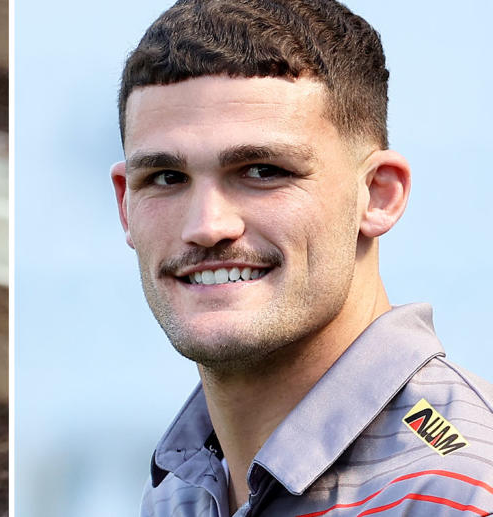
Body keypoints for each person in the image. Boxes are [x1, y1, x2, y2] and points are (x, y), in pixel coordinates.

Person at [109, 1, 493, 516]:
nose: (206, 226)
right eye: (166, 178)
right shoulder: (176, 495)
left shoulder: (458, 489)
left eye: (263, 171)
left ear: (378, 195)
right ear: (125, 205)